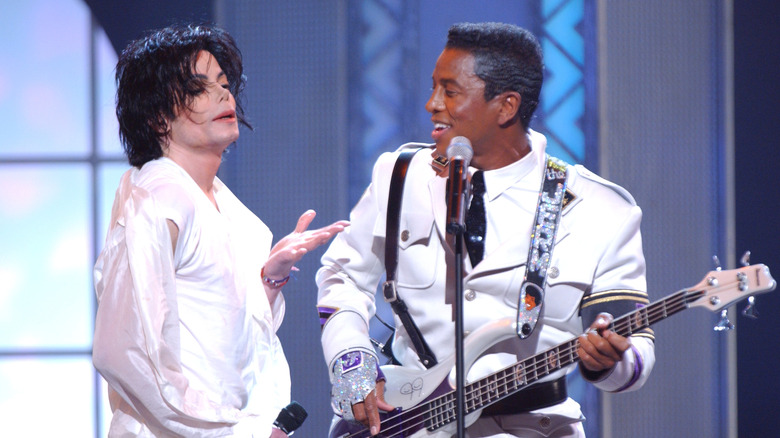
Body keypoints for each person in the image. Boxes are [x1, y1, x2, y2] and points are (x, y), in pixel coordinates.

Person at [316, 22, 655, 437]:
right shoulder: (400, 175)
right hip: (406, 421)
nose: (431, 104)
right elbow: (343, 276)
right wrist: (352, 364)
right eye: (432, 87)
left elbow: (634, 349)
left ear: (506, 106)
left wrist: (608, 361)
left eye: (450, 91)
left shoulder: (600, 207)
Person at [92, 24, 348, 437]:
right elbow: (122, 349)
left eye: (224, 84)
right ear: (158, 117)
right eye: (198, 88)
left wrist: (270, 277)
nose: (222, 95)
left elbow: (225, 336)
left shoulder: (227, 208)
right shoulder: (158, 195)